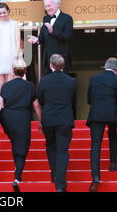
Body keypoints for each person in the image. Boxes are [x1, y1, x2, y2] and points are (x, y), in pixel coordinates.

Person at [0, 60, 41, 192]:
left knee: (15, 142)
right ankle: (17, 177)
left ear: (13, 71)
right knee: (22, 148)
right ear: (25, 71)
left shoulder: (6, 86)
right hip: (22, 117)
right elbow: (36, 105)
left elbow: (0, 103)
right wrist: (41, 120)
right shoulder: (30, 86)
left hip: (8, 118)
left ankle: (17, 170)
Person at [37, 54, 76, 192]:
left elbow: (41, 100)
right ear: (63, 65)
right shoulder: (71, 81)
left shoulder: (44, 81)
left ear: (51, 65)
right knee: (62, 150)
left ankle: (55, 175)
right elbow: (72, 99)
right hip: (64, 119)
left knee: (51, 147)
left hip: (48, 119)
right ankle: (60, 183)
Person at [87, 58, 117, 192]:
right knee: (113, 136)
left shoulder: (93, 79)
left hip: (96, 113)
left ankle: (95, 177)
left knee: (95, 145)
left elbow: (89, 99)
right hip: (112, 112)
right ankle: (113, 163)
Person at [28, 0, 73, 74]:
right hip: (48, 59)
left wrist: (53, 31)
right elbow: (43, 35)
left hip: (61, 60)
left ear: (58, 4)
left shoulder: (67, 18)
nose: (47, 8)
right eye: (46, 6)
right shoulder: (46, 18)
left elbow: (68, 36)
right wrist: (37, 39)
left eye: (49, 6)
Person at [0, 3, 20, 91]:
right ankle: (1, 104)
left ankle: (9, 104)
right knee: (0, 86)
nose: (2, 15)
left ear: (8, 11)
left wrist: (15, 58)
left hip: (11, 57)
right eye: (0, 13)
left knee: (10, 85)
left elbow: (18, 43)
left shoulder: (15, 24)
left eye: (4, 12)